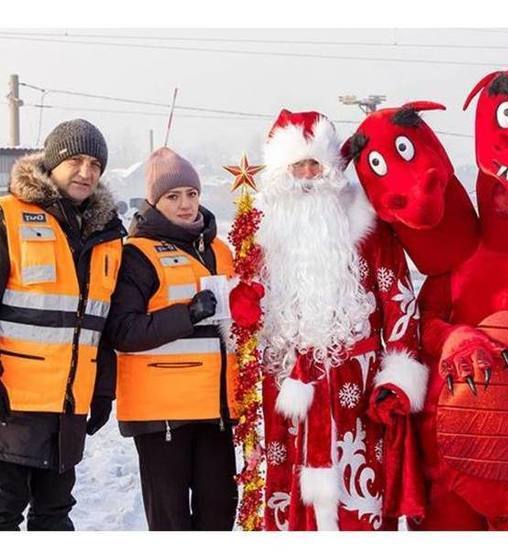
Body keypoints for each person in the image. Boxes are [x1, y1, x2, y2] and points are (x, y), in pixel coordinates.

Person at [230, 109, 427, 531]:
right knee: (282, 497)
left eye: (314, 164)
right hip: (281, 387)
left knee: (357, 501)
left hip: (354, 391)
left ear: (331, 168)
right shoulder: (258, 232)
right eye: (296, 165)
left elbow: (399, 300)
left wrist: (397, 378)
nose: (306, 175)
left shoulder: (367, 227)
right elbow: (242, 309)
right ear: (280, 172)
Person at [103, 147, 238, 530]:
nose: (185, 204)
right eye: (172, 196)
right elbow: (123, 331)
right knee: (171, 524)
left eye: (191, 194)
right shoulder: (138, 254)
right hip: (162, 414)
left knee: (219, 513)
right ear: (154, 201)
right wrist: (188, 313)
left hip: (215, 410)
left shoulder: (220, 250)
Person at [0, 119, 125, 530]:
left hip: (68, 407)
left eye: (95, 163)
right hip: (10, 407)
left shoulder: (107, 237)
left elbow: (100, 327)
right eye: (75, 160)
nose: (86, 172)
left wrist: (102, 391)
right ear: (52, 163)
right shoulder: (9, 217)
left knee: (54, 517)